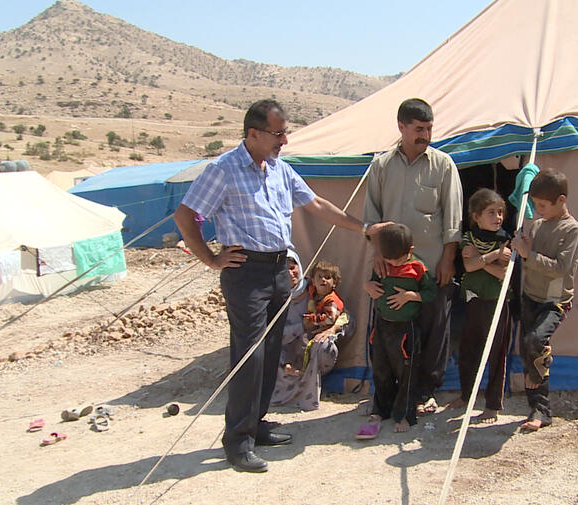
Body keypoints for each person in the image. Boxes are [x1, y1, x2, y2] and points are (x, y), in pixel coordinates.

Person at [174, 99, 389, 473]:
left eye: (285, 132)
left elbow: (316, 203)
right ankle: (237, 441)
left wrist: (364, 228)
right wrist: (211, 259)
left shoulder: (279, 169)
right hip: (246, 273)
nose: (284, 140)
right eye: (278, 133)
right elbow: (185, 215)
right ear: (253, 133)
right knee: (250, 356)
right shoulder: (223, 170)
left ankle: (256, 425)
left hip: (278, 269)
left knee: (271, 351)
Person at [363, 98, 463, 416]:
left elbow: (453, 218)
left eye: (429, 128)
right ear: (401, 127)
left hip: (431, 267)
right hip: (392, 270)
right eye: (419, 129)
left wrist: (448, 259)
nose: (425, 135)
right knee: (393, 333)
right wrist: (376, 253)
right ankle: (393, 394)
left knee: (434, 332)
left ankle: (424, 391)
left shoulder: (443, 165)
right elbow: (371, 218)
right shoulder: (381, 166)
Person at [509, 168, 578, 432]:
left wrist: (528, 255)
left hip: (555, 300)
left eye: (542, 205)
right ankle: (537, 409)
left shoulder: (572, 230)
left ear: (561, 200)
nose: (538, 210)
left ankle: (542, 402)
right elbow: (531, 258)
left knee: (536, 342)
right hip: (530, 295)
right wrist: (524, 246)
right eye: (535, 204)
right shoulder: (539, 226)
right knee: (527, 349)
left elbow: (560, 268)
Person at [357, 223, 438, 439]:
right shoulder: (383, 265)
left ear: (410, 251)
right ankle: (381, 409)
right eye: (389, 259)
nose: (393, 264)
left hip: (405, 328)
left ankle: (405, 414)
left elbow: (431, 293)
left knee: (406, 372)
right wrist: (368, 286)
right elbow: (372, 283)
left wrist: (410, 296)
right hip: (382, 325)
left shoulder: (418, 268)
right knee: (381, 369)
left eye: (398, 260)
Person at [446, 189, 513, 423]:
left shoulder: (506, 240)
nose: (498, 217)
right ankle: (467, 396)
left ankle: (493, 405)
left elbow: (502, 273)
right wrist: (493, 256)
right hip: (474, 300)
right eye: (491, 213)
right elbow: (468, 266)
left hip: (496, 301)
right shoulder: (469, 238)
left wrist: (481, 259)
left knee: (496, 353)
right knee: (469, 350)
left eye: (500, 212)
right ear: (476, 216)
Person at [271, 252, 349, 411]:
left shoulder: (316, 292)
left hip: (310, 347)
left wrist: (332, 329)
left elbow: (347, 318)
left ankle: (306, 386)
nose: (290, 273)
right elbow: (270, 332)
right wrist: (302, 327)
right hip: (282, 348)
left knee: (322, 345)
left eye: (292, 268)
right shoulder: (272, 296)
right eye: (284, 269)